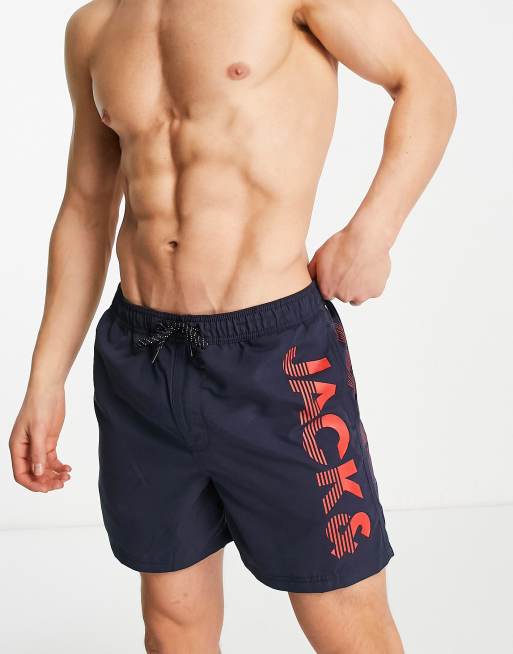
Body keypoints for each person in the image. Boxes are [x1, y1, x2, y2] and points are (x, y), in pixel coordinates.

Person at [8, 0, 456, 652]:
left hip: (276, 358)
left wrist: (373, 232)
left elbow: (425, 85)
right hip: (140, 357)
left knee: (346, 618)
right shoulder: (94, 26)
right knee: (171, 623)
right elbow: (86, 204)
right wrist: (46, 378)